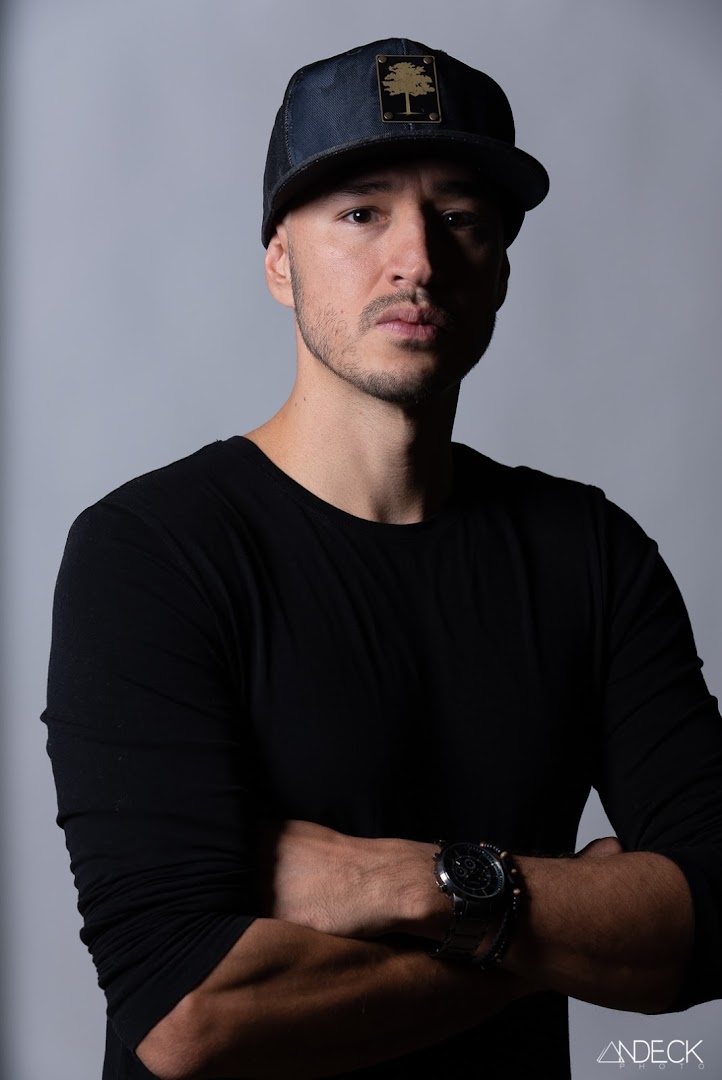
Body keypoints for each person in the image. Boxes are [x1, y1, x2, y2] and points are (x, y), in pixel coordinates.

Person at [42, 38, 722, 1080]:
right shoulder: (151, 551)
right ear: (280, 261)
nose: (417, 261)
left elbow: (711, 914)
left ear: (500, 270)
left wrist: (413, 884)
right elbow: (187, 1014)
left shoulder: (591, 552)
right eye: (361, 214)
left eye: (460, 217)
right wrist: (553, 941)